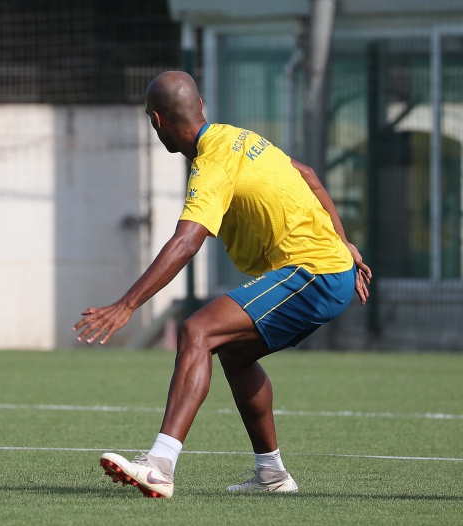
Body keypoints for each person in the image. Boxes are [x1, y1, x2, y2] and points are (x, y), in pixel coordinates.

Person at [74, 71, 371, 499]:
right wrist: (346, 244)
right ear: (202, 109)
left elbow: (187, 240)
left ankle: (159, 465)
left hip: (314, 272)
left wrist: (126, 305)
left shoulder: (211, 162)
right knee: (233, 353)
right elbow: (307, 175)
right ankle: (272, 474)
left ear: (156, 122)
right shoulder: (236, 137)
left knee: (197, 330)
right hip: (326, 268)